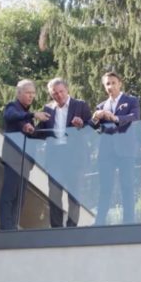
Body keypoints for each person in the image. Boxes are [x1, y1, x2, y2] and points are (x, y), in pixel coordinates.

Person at [35, 78, 92, 227]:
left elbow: (91, 128)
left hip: (75, 156)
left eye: (61, 91)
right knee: (54, 194)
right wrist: (29, 123)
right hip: (55, 156)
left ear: (67, 90)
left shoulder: (80, 105)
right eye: (55, 93)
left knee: (74, 194)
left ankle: (71, 228)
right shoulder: (48, 109)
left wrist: (81, 125)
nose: (59, 95)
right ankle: (56, 228)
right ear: (51, 94)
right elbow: (40, 132)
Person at [91, 71, 141, 225]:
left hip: (126, 151)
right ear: (104, 86)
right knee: (105, 188)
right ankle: (100, 222)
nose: (111, 86)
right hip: (106, 152)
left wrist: (116, 118)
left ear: (120, 84)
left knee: (127, 186)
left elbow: (135, 117)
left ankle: (129, 223)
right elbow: (94, 128)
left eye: (113, 83)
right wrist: (95, 118)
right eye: (107, 84)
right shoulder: (101, 106)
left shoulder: (131, 101)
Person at [0, 79, 49, 230]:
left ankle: (13, 226)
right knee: (9, 194)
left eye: (33, 93)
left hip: (26, 162)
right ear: (18, 93)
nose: (31, 96)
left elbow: (35, 135)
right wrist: (33, 115)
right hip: (13, 159)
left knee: (20, 197)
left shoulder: (26, 115)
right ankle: (6, 228)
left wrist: (47, 125)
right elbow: (10, 116)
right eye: (28, 93)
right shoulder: (12, 107)